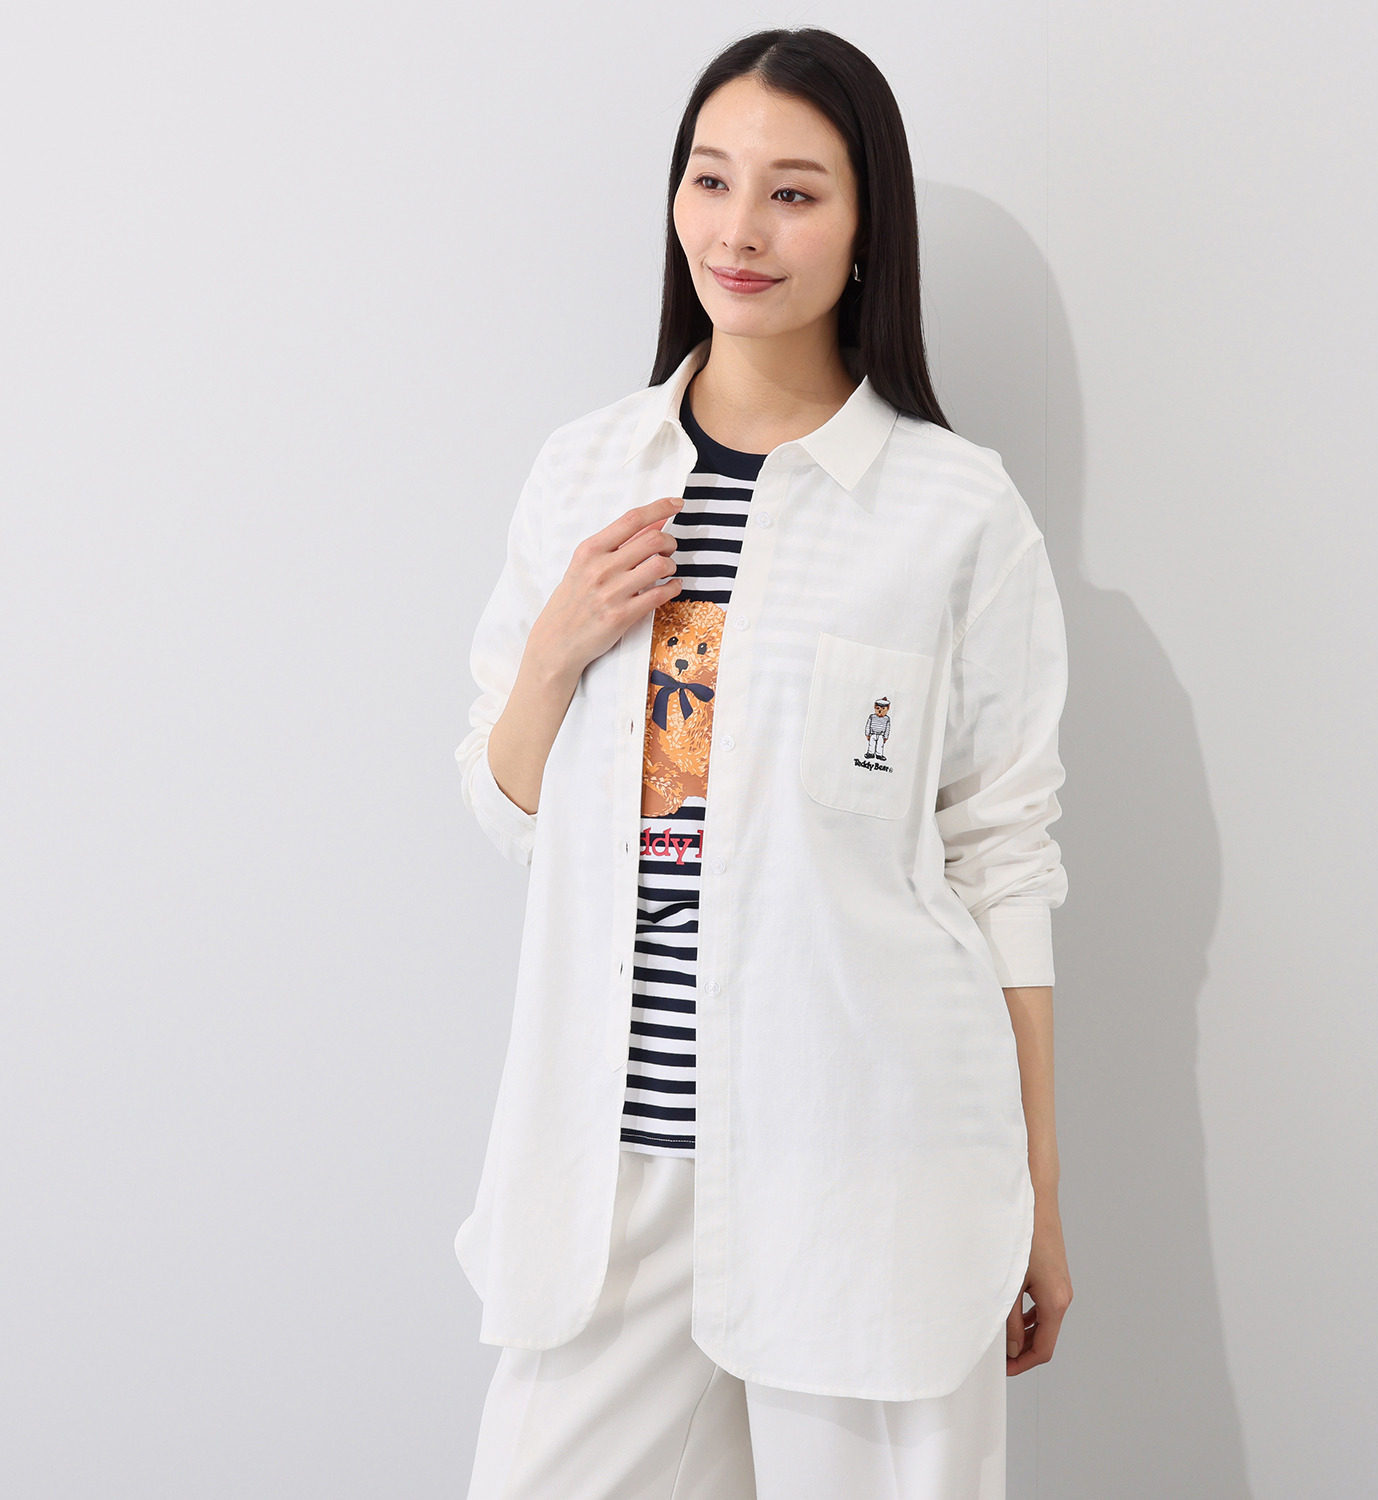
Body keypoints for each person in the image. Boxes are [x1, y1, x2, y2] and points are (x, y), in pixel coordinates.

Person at [454, 26, 1073, 1500]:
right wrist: (555, 653)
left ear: (865, 232)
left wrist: (1037, 1197)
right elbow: (506, 802)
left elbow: (1002, 863)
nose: (739, 229)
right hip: (617, 1179)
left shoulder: (953, 512)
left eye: (794, 193)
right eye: (711, 179)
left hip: (868, 1167)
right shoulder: (585, 473)